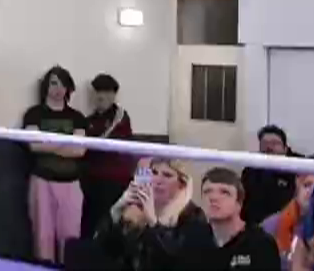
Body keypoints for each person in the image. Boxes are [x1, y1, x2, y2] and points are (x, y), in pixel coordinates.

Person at [96, 157, 213, 270]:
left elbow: (174, 260)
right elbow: (104, 250)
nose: (157, 180)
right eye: (154, 173)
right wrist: (116, 211)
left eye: (167, 175)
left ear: (182, 184)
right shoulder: (137, 209)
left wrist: (153, 222)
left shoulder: (193, 215)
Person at [21, 65, 87, 264]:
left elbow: (80, 150)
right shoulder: (34, 114)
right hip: (42, 181)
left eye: (63, 84)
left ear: (68, 89)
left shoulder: (77, 117)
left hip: (71, 184)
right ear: (46, 87)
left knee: (70, 238)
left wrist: (48, 143)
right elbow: (34, 145)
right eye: (54, 83)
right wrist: (66, 143)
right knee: (43, 237)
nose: (58, 89)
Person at [80, 73, 137, 240]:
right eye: (97, 91)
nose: (101, 96)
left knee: (113, 228)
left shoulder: (120, 118)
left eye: (105, 92)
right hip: (92, 183)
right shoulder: (88, 121)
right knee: (89, 228)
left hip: (115, 183)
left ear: (113, 95)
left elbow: (104, 144)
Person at [197, 167, 283, 270]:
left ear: (239, 203)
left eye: (224, 192)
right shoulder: (193, 240)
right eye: (207, 191)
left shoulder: (261, 244)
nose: (213, 197)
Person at [242, 125, 297, 227]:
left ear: (285, 149)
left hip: (285, 226)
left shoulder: (297, 169)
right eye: (264, 143)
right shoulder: (250, 170)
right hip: (253, 227)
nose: (269, 147)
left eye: (275, 143)